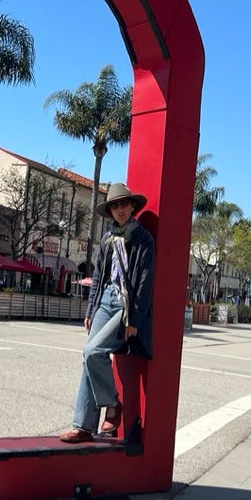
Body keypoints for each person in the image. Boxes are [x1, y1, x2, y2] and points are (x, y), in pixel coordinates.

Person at [60, 183, 154, 443]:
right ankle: (83, 426)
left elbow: (145, 282)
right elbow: (99, 276)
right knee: (87, 357)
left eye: (123, 204)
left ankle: (112, 405)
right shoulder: (107, 239)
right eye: (114, 205)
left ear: (132, 206)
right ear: (110, 211)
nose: (120, 209)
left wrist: (134, 318)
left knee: (93, 352)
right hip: (105, 301)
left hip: (125, 306)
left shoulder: (143, 239)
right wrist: (91, 308)